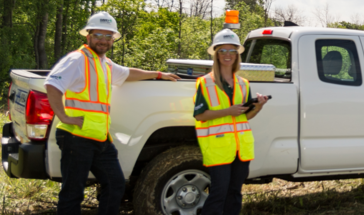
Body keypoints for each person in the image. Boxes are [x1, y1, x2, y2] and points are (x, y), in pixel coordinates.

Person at [45, 11, 180, 214]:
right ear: (88, 36)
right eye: (99, 35)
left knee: (115, 184)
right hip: (76, 137)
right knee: (73, 193)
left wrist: (158, 74)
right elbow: (52, 84)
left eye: (109, 37)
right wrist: (63, 116)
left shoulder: (104, 64)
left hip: (100, 139)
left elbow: (127, 73)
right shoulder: (77, 60)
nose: (103, 41)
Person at [193, 29, 269, 215]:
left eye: (232, 51)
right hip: (218, 148)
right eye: (223, 51)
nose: (228, 55)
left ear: (237, 55)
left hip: (240, 148)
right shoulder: (205, 82)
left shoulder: (243, 83)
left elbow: (245, 116)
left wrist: (258, 107)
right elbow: (199, 116)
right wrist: (228, 111)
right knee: (218, 194)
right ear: (216, 54)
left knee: (234, 193)